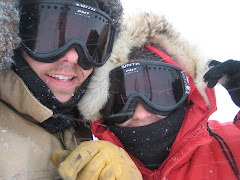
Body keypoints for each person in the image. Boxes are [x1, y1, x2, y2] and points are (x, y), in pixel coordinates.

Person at [52, 11, 240, 179]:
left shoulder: (232, 145)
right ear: (101, 109)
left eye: (159, 94)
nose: (141, 113)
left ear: (185, 94)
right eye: (122, 99)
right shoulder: (95, 170)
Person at [0, 0, 123, 179]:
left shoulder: (99, 128)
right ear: (12, 38)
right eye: (50, 37)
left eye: (90, 44)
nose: (73, 56)